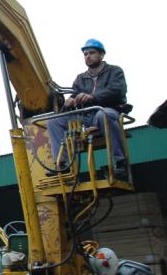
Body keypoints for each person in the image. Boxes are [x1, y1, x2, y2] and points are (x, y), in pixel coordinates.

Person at [47, 39, 129, 178]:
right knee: (54, 121)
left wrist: (92, 97)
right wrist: (70, 102)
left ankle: (119, 161)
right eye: (85, 54)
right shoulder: (81, 78)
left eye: (92, 53)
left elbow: (116, 91)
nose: (88, 56)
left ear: (101, 55)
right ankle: (62, 164)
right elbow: (75, 94)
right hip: (86, 116)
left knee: (104, 115)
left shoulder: (114, 71)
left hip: (107, 110)